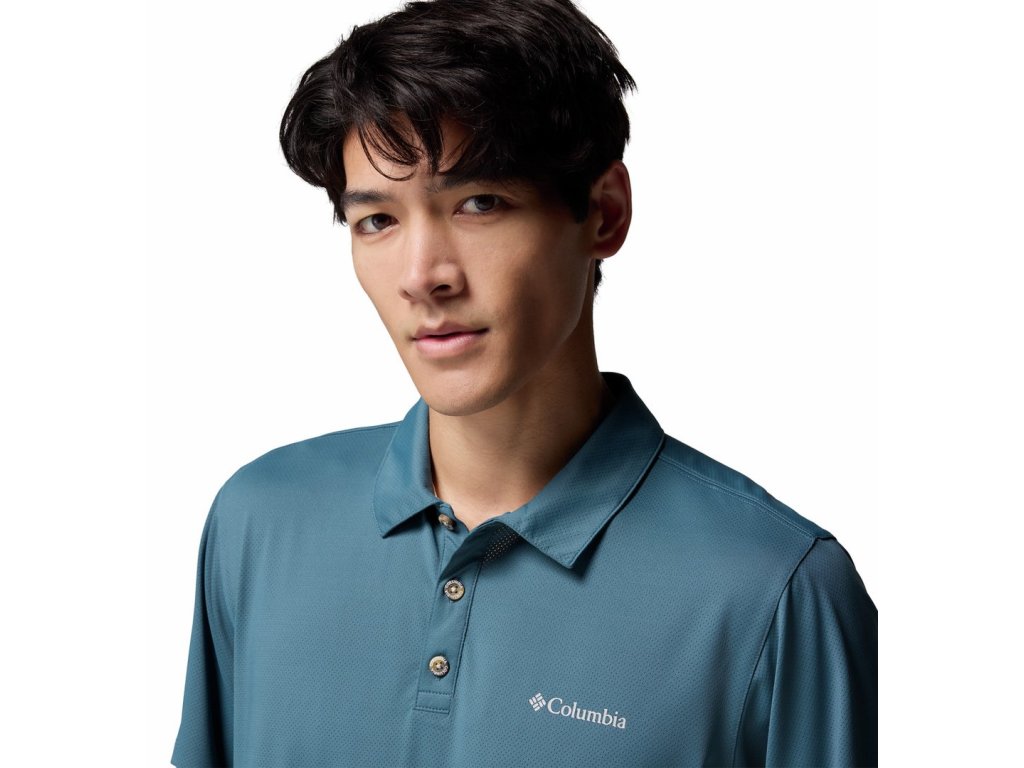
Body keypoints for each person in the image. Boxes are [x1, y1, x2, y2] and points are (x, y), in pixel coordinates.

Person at [171, 0, 877, 765]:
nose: (422, 276)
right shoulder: (258, 521)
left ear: (604, 214)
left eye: (480, 203)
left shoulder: (776, 588)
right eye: (377, 221)